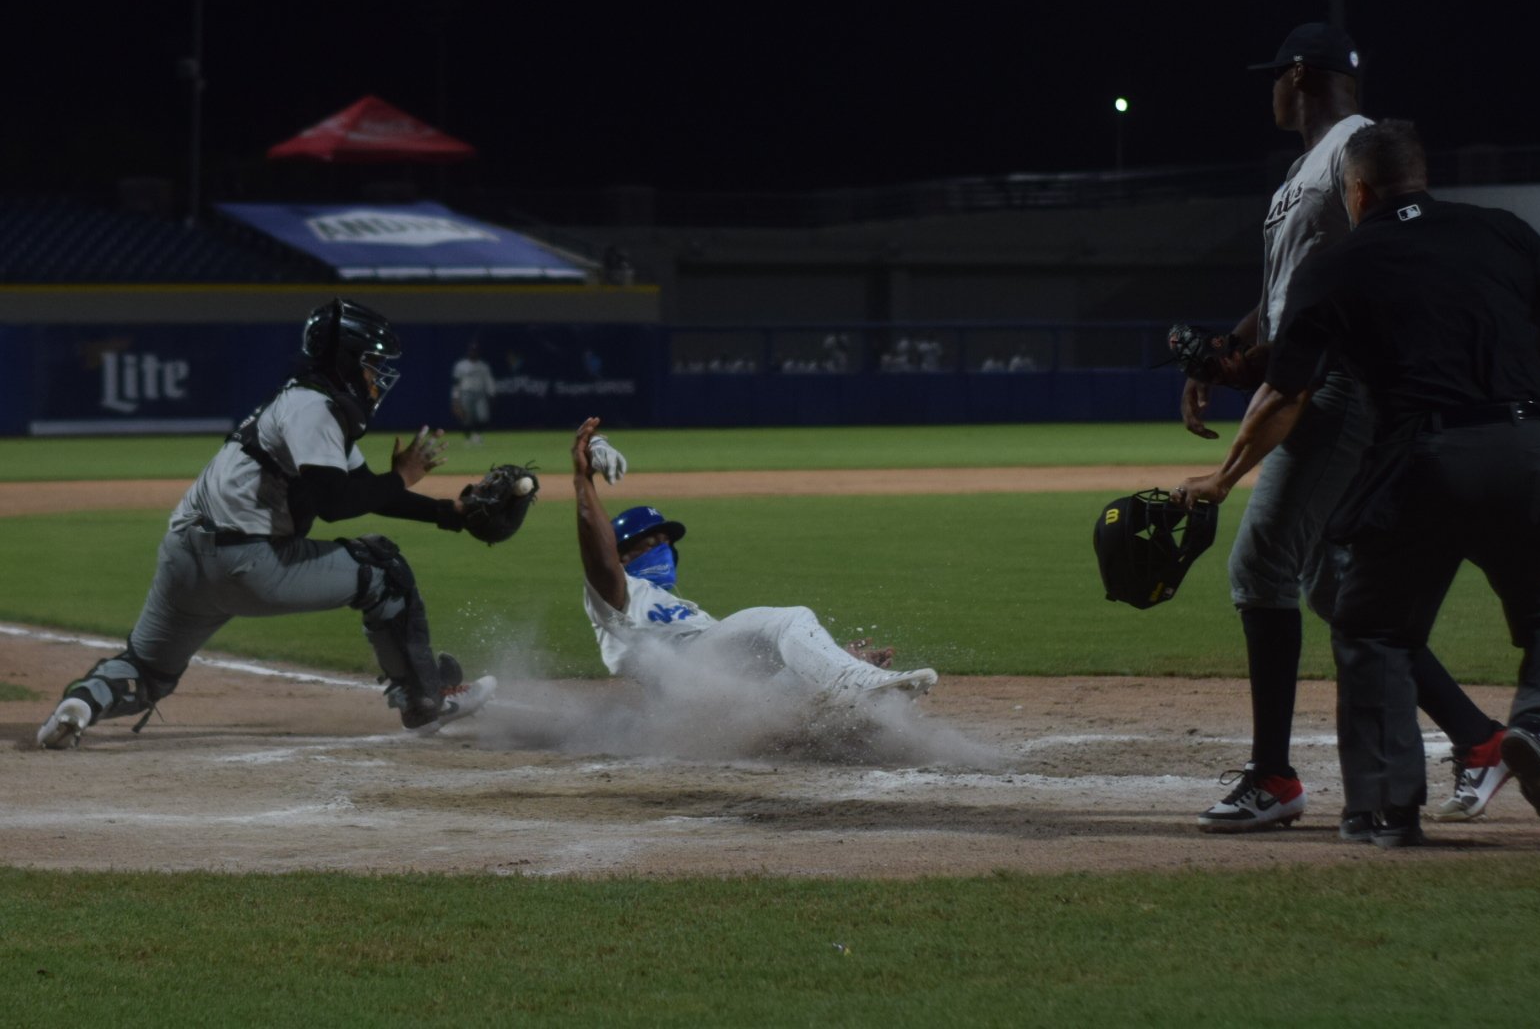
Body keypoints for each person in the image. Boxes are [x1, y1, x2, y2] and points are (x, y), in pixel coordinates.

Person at [1174, 119, 1540, 845]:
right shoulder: (1501, 230)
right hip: (1528, 445)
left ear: (1358, 190)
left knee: (1373, 625)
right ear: (1423, 175)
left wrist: (1224, 477)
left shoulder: (1341, 264)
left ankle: (1383, 808)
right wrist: (1502, 366)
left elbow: (1286, 393)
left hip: (1424, 456)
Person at [1182, 23, 1508, 833]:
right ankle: (1480, 739)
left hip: (1341, 392)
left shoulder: (1356, 150)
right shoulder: (1300, 173)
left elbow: (1371, 277)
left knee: (1260, 568)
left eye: (1275, 78)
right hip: (1315, 380)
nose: (1270, 92)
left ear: (1300, 76)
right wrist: (1225, 356)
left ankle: (1273, 778)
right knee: (1334, 588)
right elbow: (1289, 299)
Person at [36, 299, 496, 749]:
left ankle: (80, 706)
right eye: (372, 363)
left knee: (147, 670)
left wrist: (446, 514)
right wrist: (401, 476)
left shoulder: (298, 403)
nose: (377, 375)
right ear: (348, 359)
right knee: (384, 570)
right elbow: (337, 503)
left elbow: (362, 488)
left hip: (184, 555)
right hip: (249, 563)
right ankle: (424, 700)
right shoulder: (314, 409)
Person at [570, 416, 938, 699]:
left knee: (804, 681)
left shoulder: (681, 606)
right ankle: (853, 681)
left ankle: (848, 675)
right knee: (788, 619)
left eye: (664, 541)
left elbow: (755, 666)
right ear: (619, 553)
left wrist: (838, 656)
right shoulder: (616, 597)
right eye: (647, 543)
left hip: (716, 698)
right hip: (684, 675)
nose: (661, 548)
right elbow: (597, 551)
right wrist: (583, 480)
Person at [450, 341, 496, 444]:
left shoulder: (483, 366)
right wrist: (455, 398)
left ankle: (478, 435)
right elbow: (456, 384)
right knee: (466, 418)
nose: (473, 353)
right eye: (472, 351)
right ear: (468, 352)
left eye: (475, 351)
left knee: (483, 417)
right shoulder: (461, 365)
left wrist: (492, 393)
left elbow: (488, 381)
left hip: (480, 394)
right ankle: (468, 438)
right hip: (466, 393)